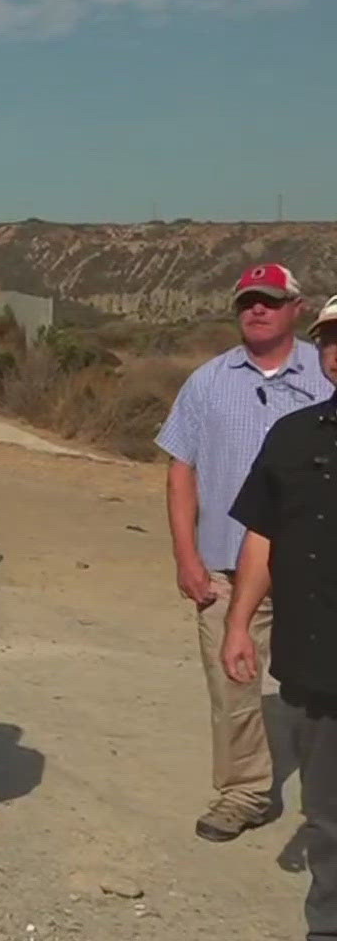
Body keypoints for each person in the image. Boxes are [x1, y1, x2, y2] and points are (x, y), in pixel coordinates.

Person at [157, 263, 331, 842]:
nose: (257, 310)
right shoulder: (207, 382)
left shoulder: (329, 366)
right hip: (229, 563)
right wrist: (187, 556)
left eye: (271, 301)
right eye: (247, 302)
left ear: (296, 309)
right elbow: (181, 470)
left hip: (318, 569)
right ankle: (244, 792)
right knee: (232, 685)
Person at [222, 293, 337, 941]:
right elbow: (262, 536)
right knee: (327, 815)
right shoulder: (291, 437)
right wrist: (240, 622)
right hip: (321, 662)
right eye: (329, 339)